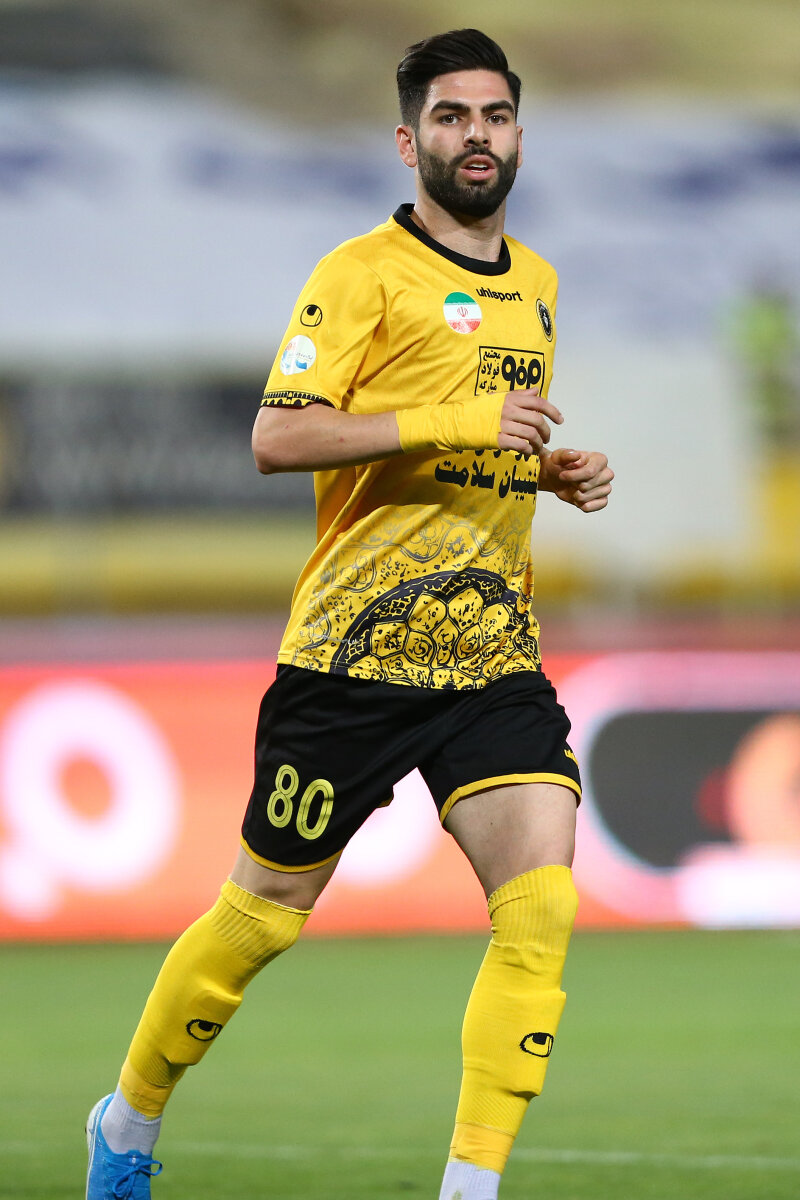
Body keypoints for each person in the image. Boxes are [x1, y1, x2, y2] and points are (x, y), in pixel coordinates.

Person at [86, 27, 613, 1200]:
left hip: (490, 656)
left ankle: (469, 1188)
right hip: (351, 655)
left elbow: (472, 450)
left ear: (516, 133)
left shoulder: (536, 284)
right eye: (449, 116)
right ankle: (126, 1121)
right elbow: (277, 437)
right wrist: (452, 424)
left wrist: (540, 473)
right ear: (408, 141)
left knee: (539, 907)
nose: (474, 135)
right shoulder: (358, 273)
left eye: (493, 115)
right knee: (261, 919)